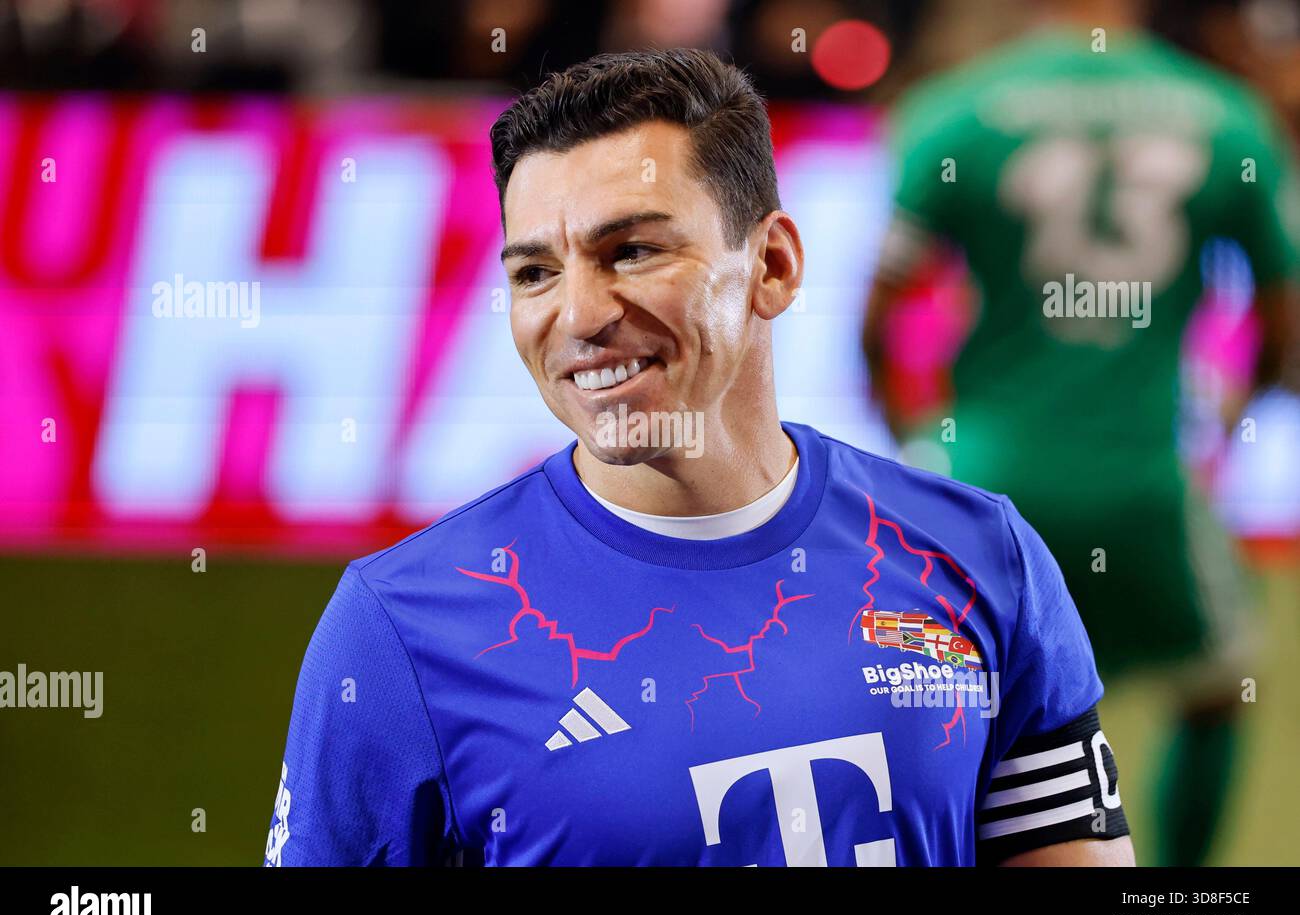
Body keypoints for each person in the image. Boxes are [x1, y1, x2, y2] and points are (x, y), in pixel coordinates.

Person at [266, 47, 1133, 866]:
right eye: (534, 273)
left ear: (775, 265)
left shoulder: (984, 558)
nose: (577, 314)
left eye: (632, 251)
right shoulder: (401, 631)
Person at [864, 0, 1299, 865]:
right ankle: (1179, 905)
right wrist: (1225, 426)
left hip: (981, 484)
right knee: (1219, 687)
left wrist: (915, 447)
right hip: (1141, 478)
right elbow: (1283, 324)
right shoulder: (1227, 116)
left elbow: (876, 322)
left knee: (935, 711)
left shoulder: (956, 109)